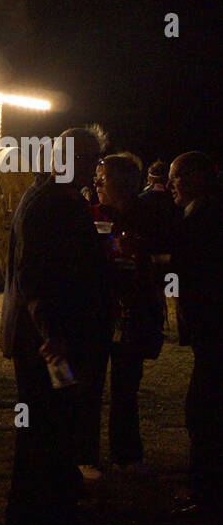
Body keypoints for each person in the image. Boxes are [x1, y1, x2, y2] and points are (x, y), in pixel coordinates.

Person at [0, 127, 113, 525]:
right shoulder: (51, 202)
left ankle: (38, 510)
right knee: (50, 423)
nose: (91, 170)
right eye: (87, 160)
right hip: (47, 341)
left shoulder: (49, 195)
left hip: (45, 335)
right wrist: (53, 333)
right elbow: (35, 275)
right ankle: (46, 516)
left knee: (50, 423)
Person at [92, 153, 171, 469]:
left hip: (134, 313)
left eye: (103, 177)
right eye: (96, 176)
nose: (97, 182)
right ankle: (85, 453)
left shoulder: (150, 215)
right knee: (90, 386)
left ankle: (125, 451)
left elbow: (170, 260)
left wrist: (142, 252)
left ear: (123, 183)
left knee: (126, 386)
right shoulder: (92, 212)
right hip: (98, 311)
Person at [167, 151, 222, 516]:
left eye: (176, 177)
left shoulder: (204, 218)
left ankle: (207, 496)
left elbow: (193, 268)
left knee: (203, 411)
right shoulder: (205, 214)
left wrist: (150, 261)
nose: (171, 185)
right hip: (209, 331)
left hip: (213, 331)